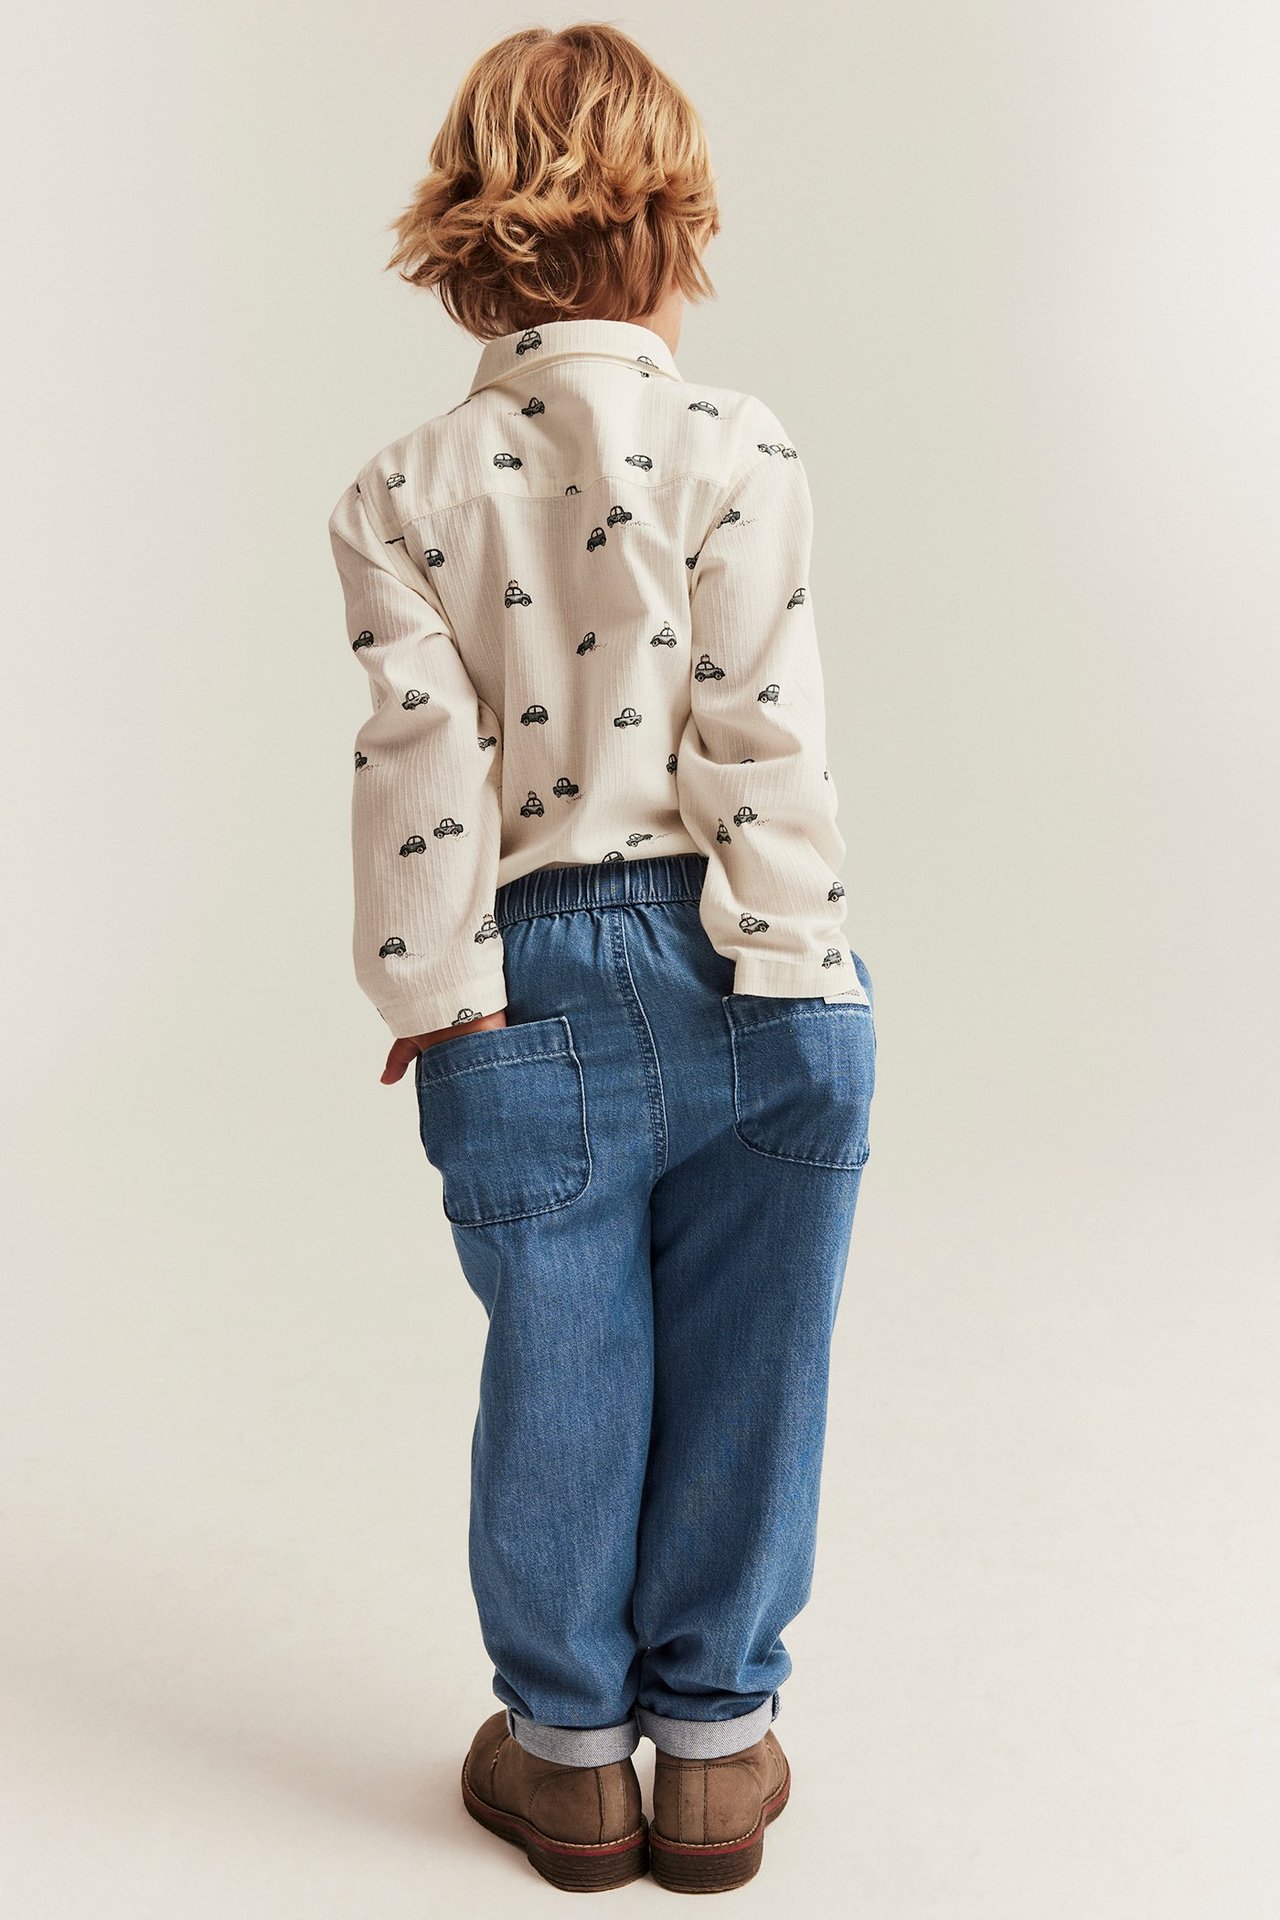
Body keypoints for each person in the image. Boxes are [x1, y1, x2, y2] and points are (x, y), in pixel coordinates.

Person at [327, 21, 877, 1896]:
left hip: (535, 978)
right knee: (758, 1357)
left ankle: (567, 1757)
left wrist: (433, 993)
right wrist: (799, 964)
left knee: (563, 1360)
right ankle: (715, 1747)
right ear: (673, 224)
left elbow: (419, 764)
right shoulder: (742, 443)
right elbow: (762, 733)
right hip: (757, 955)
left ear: (468, 232)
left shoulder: (401, 491)